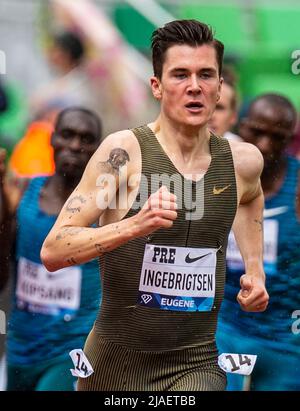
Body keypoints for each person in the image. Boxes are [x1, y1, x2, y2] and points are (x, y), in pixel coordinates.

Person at [41, 20, 269, 391]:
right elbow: (53, 251)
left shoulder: (243, 162)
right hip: (113, 364)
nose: (194, 86)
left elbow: (250, 198)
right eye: (180, 75)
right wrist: (135, 224)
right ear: (157, 87)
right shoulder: (122, 153)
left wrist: (255, 270)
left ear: (219, 88)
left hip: (196, 362)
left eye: (206, 75)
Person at [0, 107, 103, 390]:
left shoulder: (106, 207)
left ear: (98, 149)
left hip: (71, 350)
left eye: (86, 139)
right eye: (67, 135)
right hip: (21, 345)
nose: (74, 145)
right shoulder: (21, 192)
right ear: (52, 139)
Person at [217, 93, 300, 390]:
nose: (264, 144)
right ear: (241, 126)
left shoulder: (298, 185)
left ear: (290, 138)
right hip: (224, 325)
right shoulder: (218, 173)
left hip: (285, 337)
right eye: (256, 132)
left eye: (276, 136)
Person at [208, 65, 241, 141]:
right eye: (203, 106)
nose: (210, 116)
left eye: (219, 108)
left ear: (233, 116)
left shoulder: (243, 150)